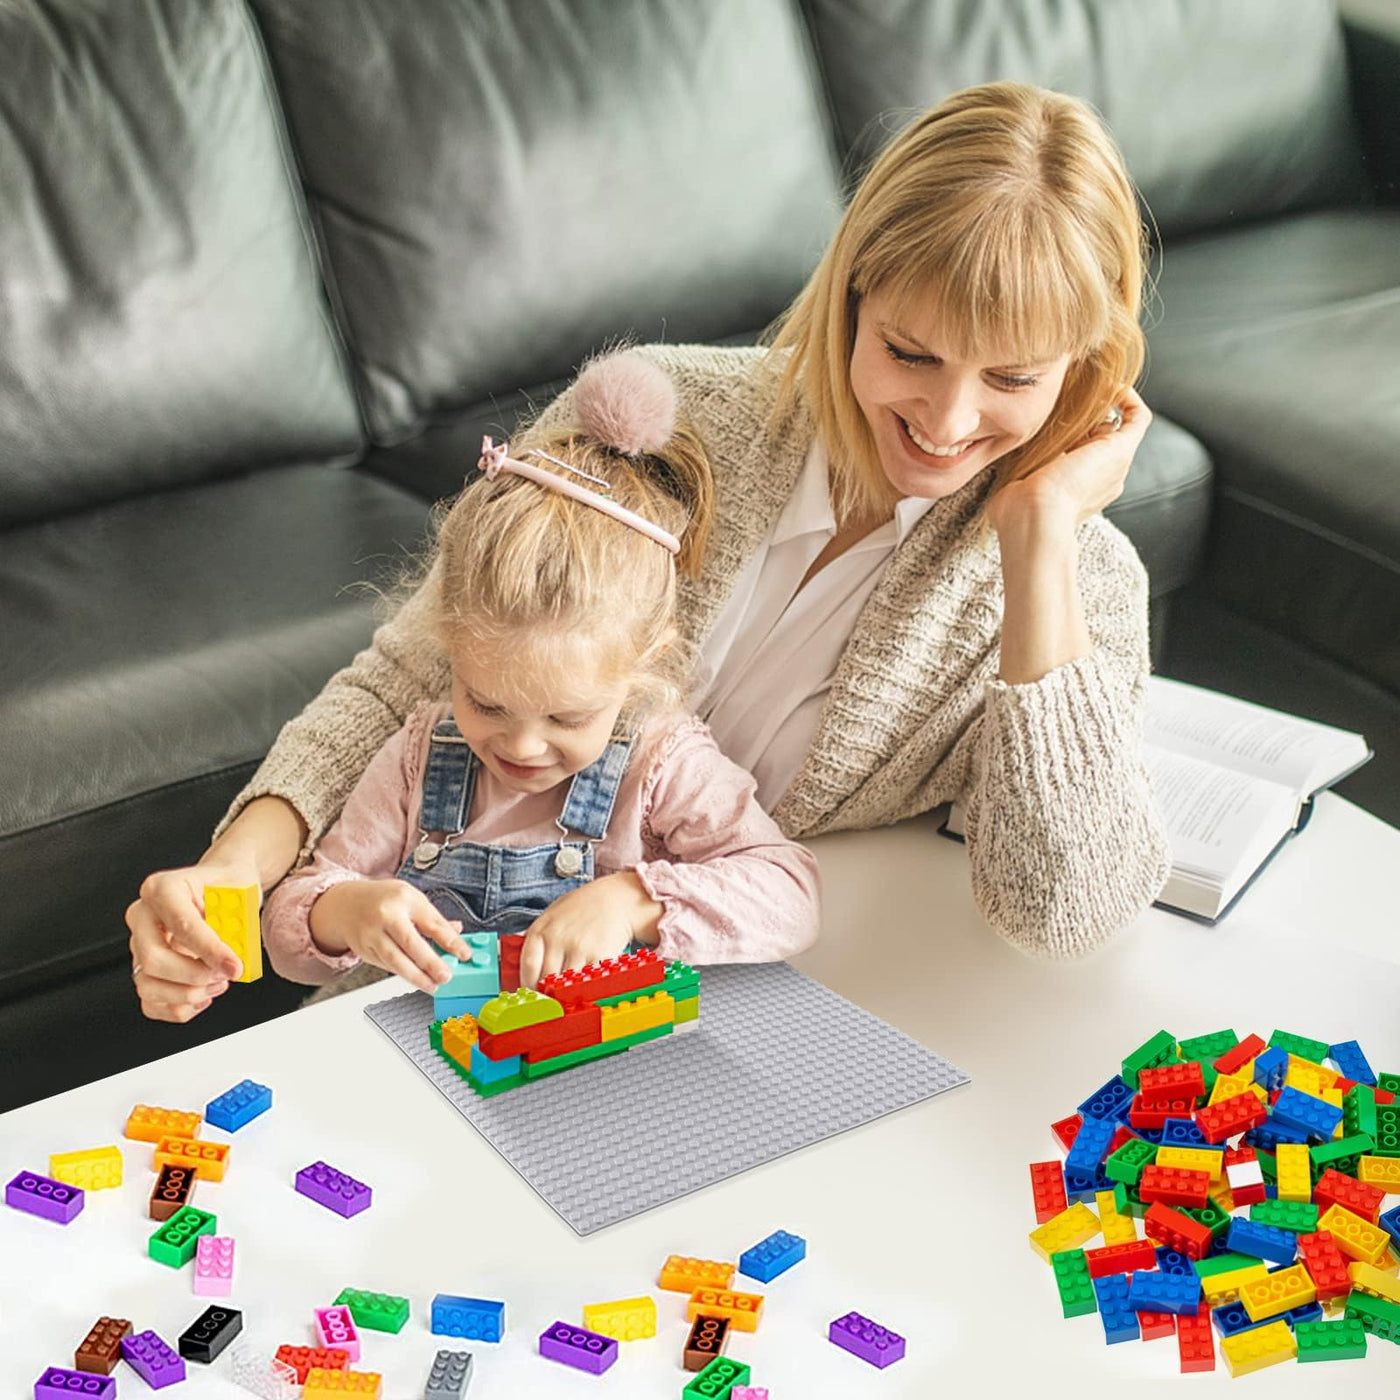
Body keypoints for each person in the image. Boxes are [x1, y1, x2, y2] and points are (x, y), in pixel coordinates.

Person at [128, 80, 1170, 1023]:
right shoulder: (657, 416)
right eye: (908, 351)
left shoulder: (1079, 586)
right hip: (456, 995)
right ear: (852, 291)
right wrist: (228, 874)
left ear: (1086, 368)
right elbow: (409, 678)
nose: (945, 419)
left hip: (731, 1003)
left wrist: (1039, 540)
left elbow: (1061, 911)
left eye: (1012, 379)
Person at [249, 351, 820, 994]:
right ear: (450, 650)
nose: (520, 746)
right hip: (416, 1058)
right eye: (486, 704)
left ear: (644, 665)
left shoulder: (661, 765)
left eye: (567, 717)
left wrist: (632, 901)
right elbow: (288, 939)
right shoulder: (418, 757)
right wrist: (342, 912)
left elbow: (790, 893)